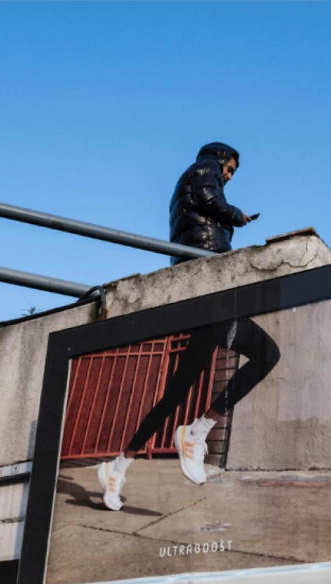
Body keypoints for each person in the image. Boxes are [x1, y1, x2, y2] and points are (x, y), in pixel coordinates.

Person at [97, 143, 279, 511]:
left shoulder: (191, 182)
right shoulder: (202, 171)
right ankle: (196, 432)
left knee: (180, 389)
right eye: (230, 169)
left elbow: (204, 216)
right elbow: (212, 204)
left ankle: (120, 464)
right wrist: (238, 216)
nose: (229, 176)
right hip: (210, 287)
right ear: (220, 159)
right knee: (265, 354)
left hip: (204, 287)